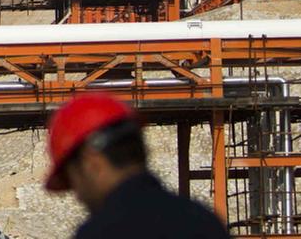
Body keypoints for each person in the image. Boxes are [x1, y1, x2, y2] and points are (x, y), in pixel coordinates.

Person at [44, 92, 227, 238]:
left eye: (72, 180)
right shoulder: (204, 221)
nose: (78, 196)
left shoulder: (100, 233)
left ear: (92, 162)